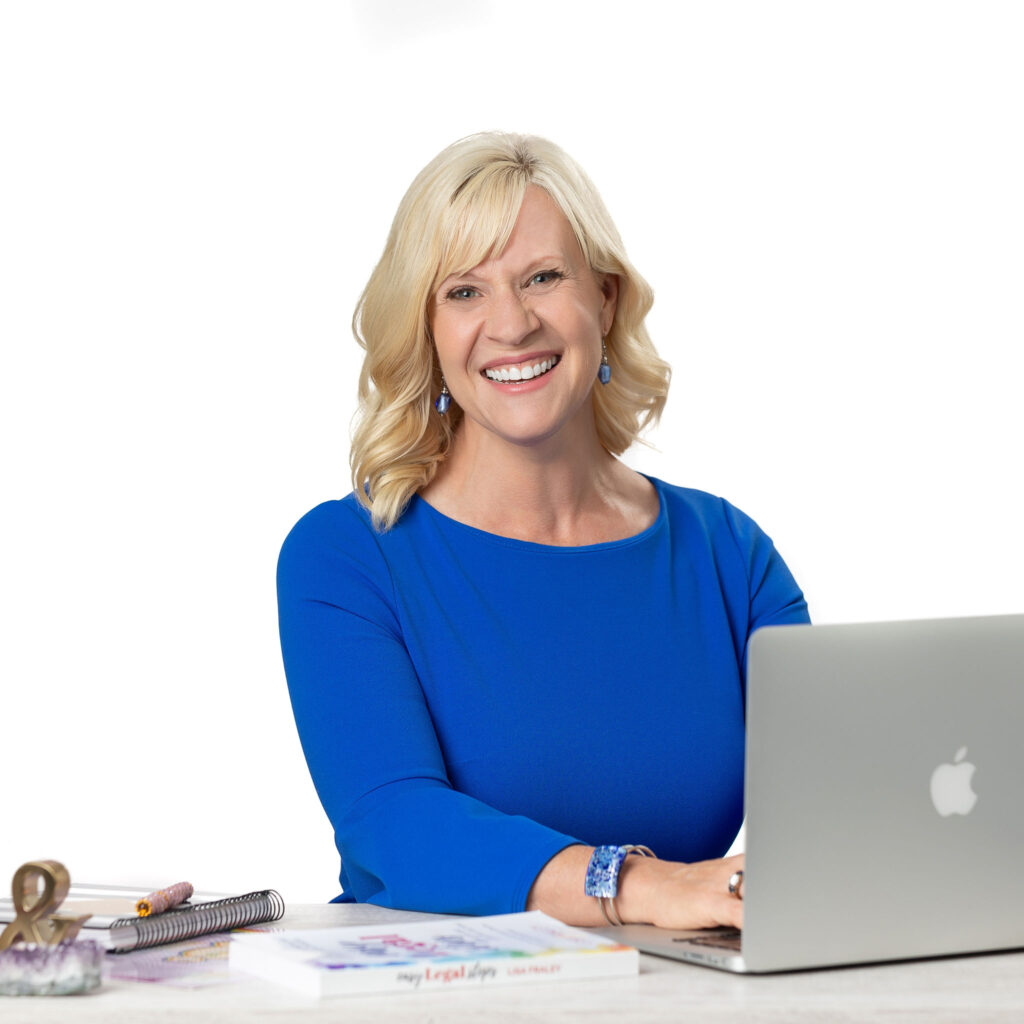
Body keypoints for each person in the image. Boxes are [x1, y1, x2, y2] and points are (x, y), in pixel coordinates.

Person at [277, 132, 809, 931]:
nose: (511, 323)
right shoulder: (349, 557)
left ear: (605, 298)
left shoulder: (728, 555)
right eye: (464, 292)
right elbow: (393, 824)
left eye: (543, 278)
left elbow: (828, 812)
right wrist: (642, 888)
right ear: (424, 329)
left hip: (680, 993)